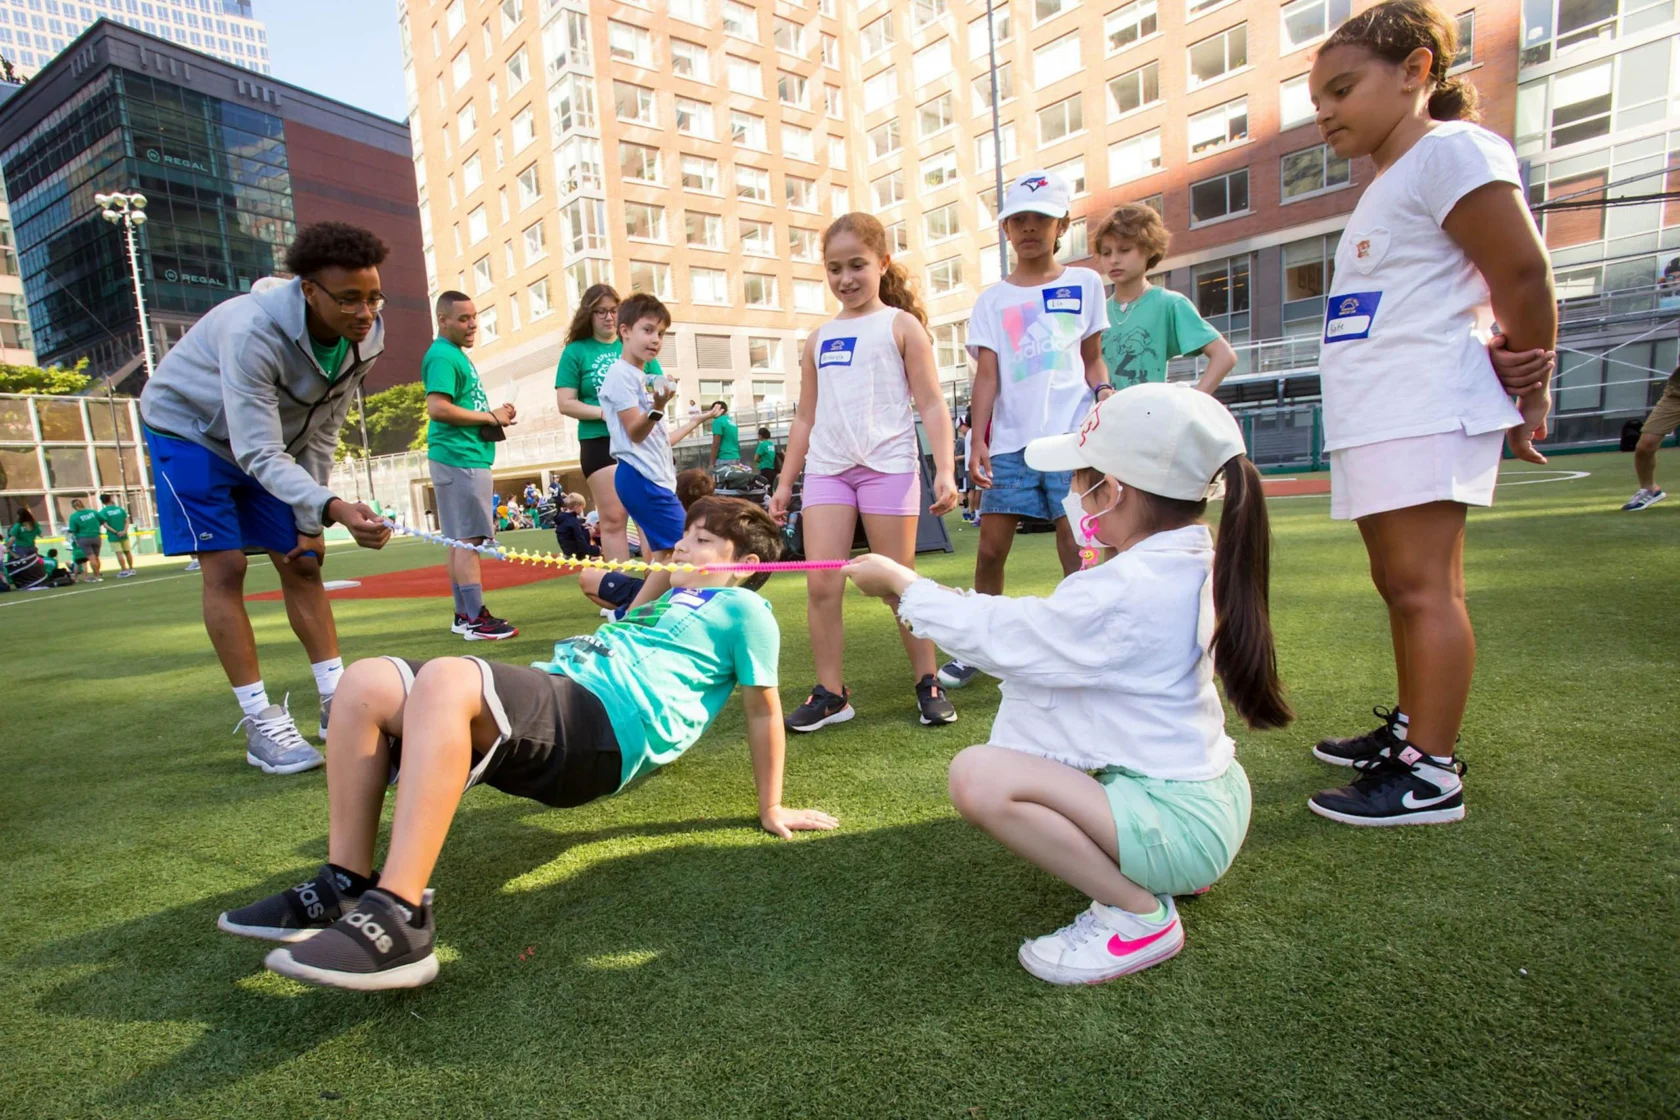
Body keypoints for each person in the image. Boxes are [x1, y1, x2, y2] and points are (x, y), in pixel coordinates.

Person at [217, 496, 838, 991]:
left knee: (447, 675)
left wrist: (771, 806)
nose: (683, 544)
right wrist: (665, 570)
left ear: (744, 566)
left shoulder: (743, 611)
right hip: (559, 693)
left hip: (602, 731)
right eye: (686, 533)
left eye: (703, 539)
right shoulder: (668, 596)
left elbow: (762, 710)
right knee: (364, 682)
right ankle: (345, 880)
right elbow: (625, 603)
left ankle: (398, 918)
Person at [845, 384, 1289, 983]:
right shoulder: (1182, 561)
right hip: (1212, 804)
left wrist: (904, 584)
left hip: (1181, 827)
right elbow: (1035, 629)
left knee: (978, 777)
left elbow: (1013, 639)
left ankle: (1139, 916)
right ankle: (1160, 871)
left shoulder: (1130, 588)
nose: (1072, 496)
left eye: (1081, 481)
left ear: (1117, 491)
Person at [1303, 0, 1554, 826]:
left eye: (1343, 89)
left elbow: (1521, 272)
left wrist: (1531, 381)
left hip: (1423, 403)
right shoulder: (1391, 176)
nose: (1327, 113)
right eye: (1318, 100)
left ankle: (1431, 774)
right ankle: (1413, 734)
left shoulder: (1451, 150)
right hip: (1381, 407)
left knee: (1424, 588)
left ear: (1415, 71)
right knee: (1399, 583)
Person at [139, 222, 394, 774]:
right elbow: (257, 452)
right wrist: (335, 506)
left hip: (267, 443)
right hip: (190, 432)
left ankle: (337, 702)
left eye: (373, 297)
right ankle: (259, 722)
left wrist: (312, 517)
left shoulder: (367, 338)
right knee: (226, 567)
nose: (364, 312)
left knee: (304, 561)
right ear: (309, 291)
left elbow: (323, 428)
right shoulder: (252, 331)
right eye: (348, 299)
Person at [770, 213, 962, 731]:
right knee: (821, 586)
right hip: (829, 472)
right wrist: (786, 484)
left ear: (883, 263)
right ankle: (831, 694)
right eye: (834, 268)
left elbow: (932, 404)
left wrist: (945, 470)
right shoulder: (818, 338)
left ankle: (927, 680)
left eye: (857, 265)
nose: (845, 278)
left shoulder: (901, 326)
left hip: (888, 467)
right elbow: (806, 416)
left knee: (896, 585)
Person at [938, 170, 1110, 690]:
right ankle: (983, 646)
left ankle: (1083, 641)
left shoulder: (1085, 284)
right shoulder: (992, 300)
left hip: (1071, 440)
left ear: (1063, 224)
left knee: (1075, 544)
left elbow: (1093, 361)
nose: (1029, 228)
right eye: (1018, 220)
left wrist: (1104, 395)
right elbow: (986, 375)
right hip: (1011, 444)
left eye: (1041, 218)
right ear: (1006, 229)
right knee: (990, 549)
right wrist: (978, 440)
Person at [599, 294, 724, 612]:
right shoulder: (620, 376)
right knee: (683, 552)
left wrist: (695, 421)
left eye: (661, 333)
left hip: (651, 476)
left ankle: (634, 618)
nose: (655, 340)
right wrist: (657, 406)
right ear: (625, 331)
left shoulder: (641, 378)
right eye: (648, 330)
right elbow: (635, 432)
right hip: (640, 477)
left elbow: (657, 438)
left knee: (667, 557)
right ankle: (631, 619)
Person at [423, 291, 518, 641]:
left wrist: (494, 417)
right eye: (464, 318)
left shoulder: (451, 355)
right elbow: (438, 408)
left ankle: (466, 615)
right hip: (459, 457)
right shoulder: (444, 356)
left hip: (461, 455)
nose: (473, 324)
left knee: (460, 539)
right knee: (468, 540)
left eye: (474, 317)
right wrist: (488, 416)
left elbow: (455, 407)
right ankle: (476, 618)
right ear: (443, 320)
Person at [555, 285, 670, 563]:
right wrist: (605, 412)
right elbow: (566, 402)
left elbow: (657, 383)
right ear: (589, 314)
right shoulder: (576, 352)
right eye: (601, 311)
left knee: (647, 514)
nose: (608, 317)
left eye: (614, 310)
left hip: (639, 439)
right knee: (614, 516)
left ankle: (654, 588)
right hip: (599, 440)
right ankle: (618, 590)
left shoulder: (635, 343)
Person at [1095, 204, 1238, 392]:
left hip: (1152, 415)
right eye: (1106, 253)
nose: (1113, 260)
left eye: (1124, 250)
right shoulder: (1097, 312)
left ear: (1149, 249)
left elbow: (1224, 356)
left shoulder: (1169, 304)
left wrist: (1191, 405)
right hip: (1104, 418)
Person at [579, 469, 715, 619]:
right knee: (589, 576)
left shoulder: (695, 527)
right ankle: (645, 611)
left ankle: (632, 614)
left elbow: (669, 566)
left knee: (673, 561)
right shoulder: (667, 521)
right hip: (656, 593)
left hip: (684, 596)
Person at [97, 493, 136, 577]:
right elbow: (127, 521)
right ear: (110, 499)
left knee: (119, 553)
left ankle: (124, 570)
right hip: (124, 534)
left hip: (113, 536)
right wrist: (124, 531)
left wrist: (116, 532)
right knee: (127, 551)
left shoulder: (103, 512)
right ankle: (131, 568)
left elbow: (105, 525)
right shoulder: (120, 509)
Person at [66, 498, 104, 582]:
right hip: (96, 536)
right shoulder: (93, 512)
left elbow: (73, 529)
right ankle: (98, 574)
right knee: (96, 557)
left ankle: (97, 576)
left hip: (83, 538)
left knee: (91, 557)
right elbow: (102, 520)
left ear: (74, 507)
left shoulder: (74, 516)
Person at [553, 493, 597, 560]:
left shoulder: (562, 517)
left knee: (584, 529)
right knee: (590, 531)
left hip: (565, 548)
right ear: (576, 507)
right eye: (582, 507)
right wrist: (591, 551)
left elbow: (568, 527)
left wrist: (581, 525)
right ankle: (584, 556)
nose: (582, 510)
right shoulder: (573, 521)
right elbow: (580, 539)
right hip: (574, 550)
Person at [708, 400, 742, 468]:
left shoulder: (718, 421)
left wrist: (711, 463)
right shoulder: (732, 422)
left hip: (724, 458)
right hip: (736, 457)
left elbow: (716, 443)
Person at [754, 426, 778, 492]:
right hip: (772, 469)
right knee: (770, 488)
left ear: (761, 435)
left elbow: (755, 458)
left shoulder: (762, 445)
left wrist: (760, 461)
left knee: (762, 488)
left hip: (764, 468)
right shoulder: (772, 444)